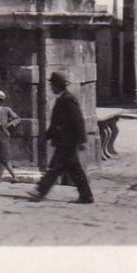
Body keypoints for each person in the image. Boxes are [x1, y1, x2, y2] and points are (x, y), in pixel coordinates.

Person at [31, 71, 93, 203]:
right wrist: (47, 136)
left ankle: (40, 191)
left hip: (68, 141)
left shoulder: (67, 100)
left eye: (52, 84)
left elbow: (78, 121)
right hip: (65, 141)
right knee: (74, 169)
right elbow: (56, 123)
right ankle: (86, 196)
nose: (51, 87)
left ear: (57, 85)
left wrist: (82, 140)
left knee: (56, 167)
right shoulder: (64, 98)